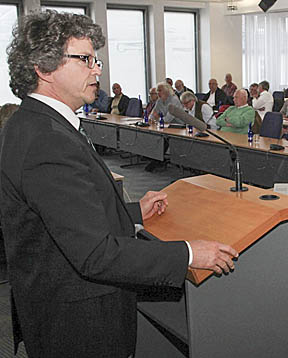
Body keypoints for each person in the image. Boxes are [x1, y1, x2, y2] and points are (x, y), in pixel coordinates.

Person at [1, 11, 237, 358]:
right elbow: (95, 255)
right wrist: (189, 252)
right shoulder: (46, 139)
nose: (97, 70)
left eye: (95, 59)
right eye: (85, 60)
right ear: (44, 68)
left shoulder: (33, 124)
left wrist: (132, 211)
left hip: (61, 305)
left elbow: (60, 218)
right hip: (77, 324)